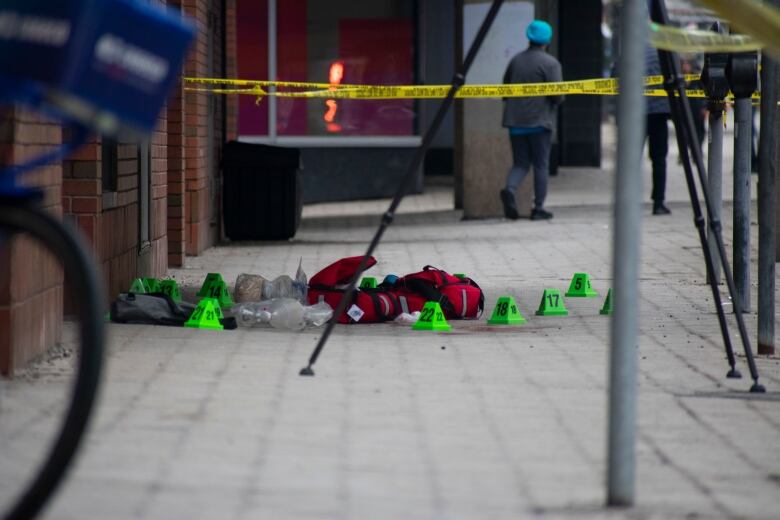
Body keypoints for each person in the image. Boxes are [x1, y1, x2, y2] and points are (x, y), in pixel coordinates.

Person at [500, 19, 563, 221]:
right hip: (540, 123)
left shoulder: (516, 60)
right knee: (541, 165)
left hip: (515, 122)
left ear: (529, 37)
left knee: (520, 163)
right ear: (547, 40)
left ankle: (510, 189)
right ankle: (538, 208)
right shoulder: (551, 63)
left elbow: (504, 89)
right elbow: (558, 95)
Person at [645, 47, 672, 215]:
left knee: (631, 160)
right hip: (659, 112)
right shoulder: (665, 51)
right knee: (659, 159)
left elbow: (614, 76)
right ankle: (658, 202)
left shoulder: (629, 48)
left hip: (634, 110)